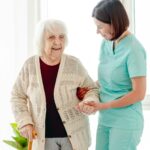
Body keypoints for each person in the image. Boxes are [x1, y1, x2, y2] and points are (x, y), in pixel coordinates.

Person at [10, 19, 99, 150]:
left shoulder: (74, 64)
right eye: (51, 37)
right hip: (42, 139)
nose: (57, 42)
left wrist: (89, 101)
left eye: (61, 37)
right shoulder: (30, 66)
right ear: (41, 41)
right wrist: (24, 122)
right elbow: (17, 96)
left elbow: (92, 89)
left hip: (74, 139)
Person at [76, 0, 147, 150]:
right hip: (105, 118)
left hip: (125, 121)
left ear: (114, 22)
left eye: (100, 26)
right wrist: (90, 88)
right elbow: (106, 79)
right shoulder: (106, 43)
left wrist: (104, 105)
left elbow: (139, 93)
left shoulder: (134, 49)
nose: (97, 31)